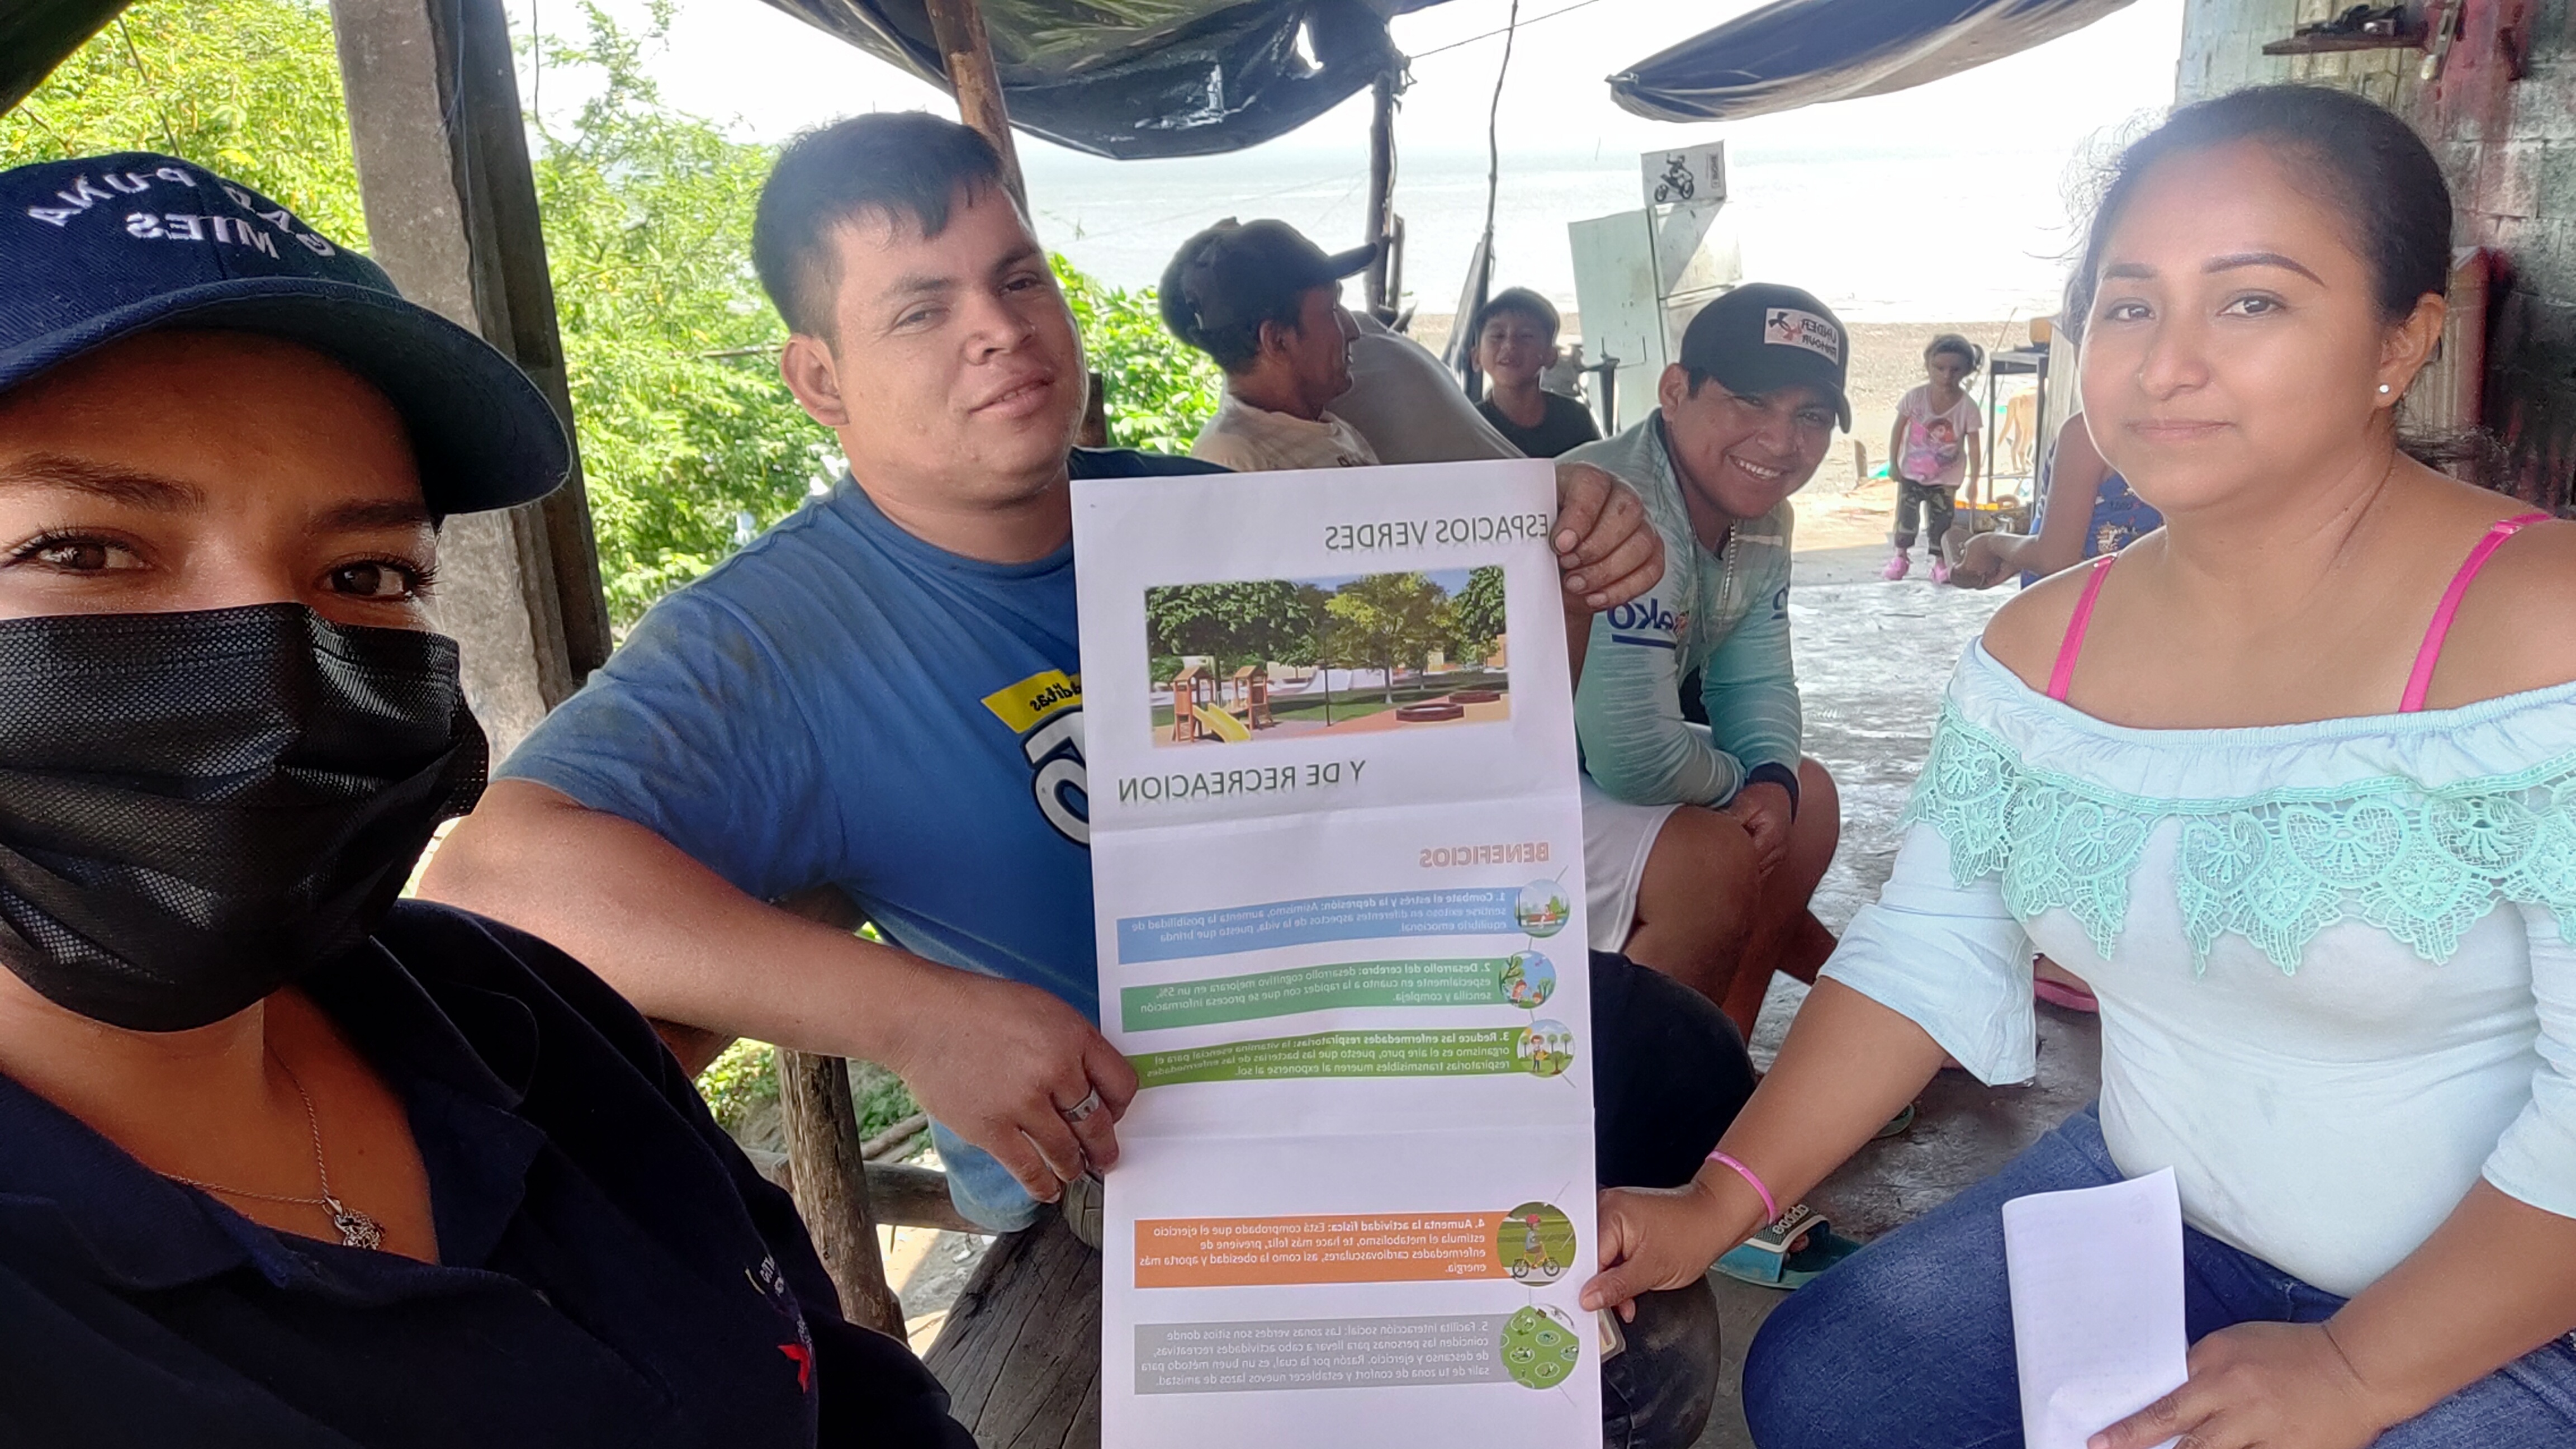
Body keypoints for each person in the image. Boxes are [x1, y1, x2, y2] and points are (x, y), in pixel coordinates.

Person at [419, 112, 1740, 1448]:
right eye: (920, 310)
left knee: (1685, 1083)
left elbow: (1460, 752)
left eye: (1018, 278)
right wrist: (917, 1019)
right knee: (1590, 1381)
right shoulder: (783, 636)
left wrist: (1566, 577)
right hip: (1134, 1162)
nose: (997, 329)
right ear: (818, 379)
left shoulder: (1187, 528)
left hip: (1377, 1049)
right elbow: (493, 878)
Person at [1581, 86, 2576, 1449]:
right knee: (1835, 1386)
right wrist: (1713, 1203)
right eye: (2128, 305)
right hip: (2170, 1217)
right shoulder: (2042, 649)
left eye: (2251, 302)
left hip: (2518, 1289)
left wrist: (2355, 1373)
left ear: (2402, 338)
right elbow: (1928, 951)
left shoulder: (2539, 630)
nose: (2166, 365)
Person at [0, 153, 970, 1447]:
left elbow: (851, 1401)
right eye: (80, 550)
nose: (281, 681)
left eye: (366, 572)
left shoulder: (520, 1017)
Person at [1561, 285, 1847, 1040]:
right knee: (1712, 860)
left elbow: (1756, 680)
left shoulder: (1764, 519)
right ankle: (1620, 1090)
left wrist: (1772, 781)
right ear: (1674, 391)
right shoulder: (1624, 505)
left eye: (1812, 416)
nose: (1781, 442)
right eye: (1750, 400)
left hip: (1577, 758)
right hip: (1492, 778)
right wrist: (1738, 788)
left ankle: (1723, 1049)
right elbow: (1632, 752)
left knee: (1808, 796)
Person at [1162, 217, 1379, 471]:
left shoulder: (1334, 430)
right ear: (1277, 340)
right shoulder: (1232, 457)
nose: (1353, 330)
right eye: (1331, 309)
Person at [1948, 409, 2164, 589]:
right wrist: (2017, 555)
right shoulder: (2174, 429)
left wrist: (1990, 544)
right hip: (2149, 602)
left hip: (2077, 608)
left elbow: (2054, 559)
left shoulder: (2090, 432)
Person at [1882, 333, 1983, 583]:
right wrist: (1893, 463)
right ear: (1928, 366)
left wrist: (1974, 480)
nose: (1947, 376)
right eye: (1940, 368)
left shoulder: (1967, 407)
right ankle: (1901, 557)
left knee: (1942, 521)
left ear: (1967, 370)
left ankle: (1940, 563)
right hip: (1911, 472)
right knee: (1906, 517)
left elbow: (1974, 445)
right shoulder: (1915, 398)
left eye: (1955, 370)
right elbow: (1898, 430)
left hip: (1946, 477)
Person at [1473, 287, 1604, 458]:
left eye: (1525, 336)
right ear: (1476, 357)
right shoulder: (1470, 424)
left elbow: (1599, 468)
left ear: (1551, 356)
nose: (1509, 345)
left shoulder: (1575, 417)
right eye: (1498, 336)